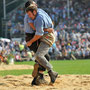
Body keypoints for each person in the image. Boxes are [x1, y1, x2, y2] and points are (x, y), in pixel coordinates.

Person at [26, 5, 58, 84]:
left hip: (47, 37)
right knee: (41, 56)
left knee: (39, 56)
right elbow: (50, 22)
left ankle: (51, 72)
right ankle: (42, 72)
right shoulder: (40, 11)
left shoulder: (38, 19)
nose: (29, 17)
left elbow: (38, 35)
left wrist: (30, 42)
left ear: (34, 12)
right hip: (48, 35)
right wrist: (47, 29)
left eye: (30, 14)